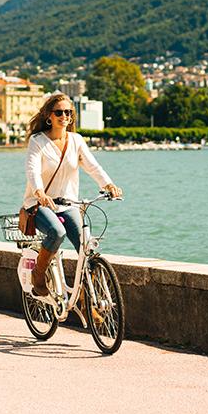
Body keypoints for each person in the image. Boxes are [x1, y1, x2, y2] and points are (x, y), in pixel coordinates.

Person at [22, 93, 122, 296]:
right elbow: (32, 170)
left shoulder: (76, 140)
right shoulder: (38, 141)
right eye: (59, 112)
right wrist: (39, 192)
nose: (64, 116)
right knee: (57, 232)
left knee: (86, 247)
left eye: (68, 112)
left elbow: (93, 166)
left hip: (68, 204)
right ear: (49, 116)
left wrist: (109, 184)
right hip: (39, 204)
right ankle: (38, 274)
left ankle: (90, 298)